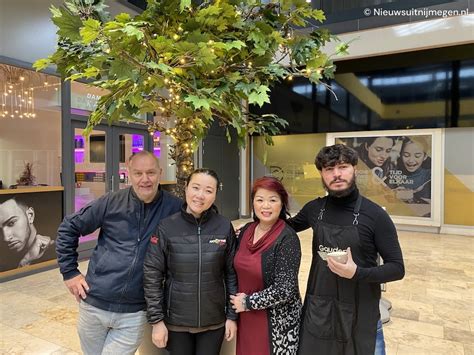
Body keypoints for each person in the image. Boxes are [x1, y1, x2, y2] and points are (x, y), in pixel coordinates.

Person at [56, 151, 182, 355]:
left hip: (134, 312)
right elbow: (68, 228)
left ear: (160, 173)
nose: (145, 179)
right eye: (138, 173)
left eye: (150, 172)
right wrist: (70, 272)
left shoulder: (174, 208)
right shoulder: (111, 202)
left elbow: (201, 225)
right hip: (94, 304)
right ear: (129, 174)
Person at [287, 144, 405, 355]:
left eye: (342, 167)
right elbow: (284, 228)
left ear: (354, 169)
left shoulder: (376, 215)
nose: (336, 174)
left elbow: (397, 268)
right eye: (329, 169)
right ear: (321, 174)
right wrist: (251, 228)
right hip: (320, 310)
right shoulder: (314, 209)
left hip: (361, 313)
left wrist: (356, 273)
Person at [143, 168, 238, 355]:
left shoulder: (224, 226)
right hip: (176, 322)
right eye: (196, 187)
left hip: (214, 322)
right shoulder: (166, 227)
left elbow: (231, 273)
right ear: (186, 188)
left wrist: (232, 316)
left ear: (215, 194)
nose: (200, 195)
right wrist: (156, 321)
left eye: (209, 190)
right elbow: (152, 273)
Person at [230, 176, 302, 355]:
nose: (266, 206)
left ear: (282, 204)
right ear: (253, 203)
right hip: (245, 318)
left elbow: (285, 289)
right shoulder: (246, 230)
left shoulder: (287, 238)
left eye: (273, 200)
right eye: (260, 200)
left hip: (276, 324)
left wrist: (248, 302)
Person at [0, 197, 55, 270]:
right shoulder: (4, 261)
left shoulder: (59, 251)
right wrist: (26, 260)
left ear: (30, 216)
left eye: (11, 223)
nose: (5, 238)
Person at [391, 136, 431, 203]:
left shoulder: (430, 175)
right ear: (400, 155)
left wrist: (413, 198)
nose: (411, 160)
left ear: (425, 156)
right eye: (406, 155)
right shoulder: (392, 173)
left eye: (417, 156)